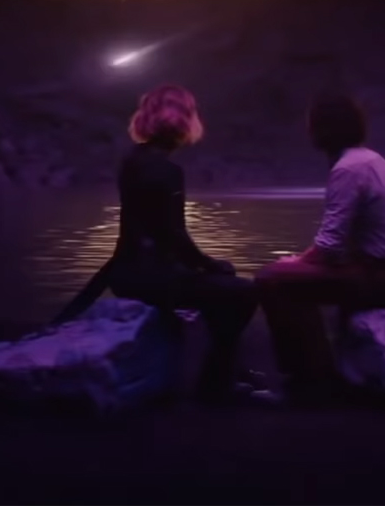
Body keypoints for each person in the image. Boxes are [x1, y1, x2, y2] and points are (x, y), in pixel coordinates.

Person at [51, 84, 262, 404]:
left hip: (130, 274)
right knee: (243, 292)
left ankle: (228, 373)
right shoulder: (167, 169)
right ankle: (217, 382)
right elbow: (173, 235)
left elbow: (150, 234)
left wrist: (206, 265)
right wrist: (209, 264)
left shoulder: (133, 160)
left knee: (224, 278)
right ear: (186, 121)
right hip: (150, 278)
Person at [254, 91, 385, 405]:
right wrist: (300, 262)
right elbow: (335, 243)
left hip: (381, 275)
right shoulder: (370, 159)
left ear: (322, 128)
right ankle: (318, 371)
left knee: (270, 280)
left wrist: (292, 264)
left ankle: (312, 381)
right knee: (290, 276)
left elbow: (329, 246)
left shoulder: (348, 169)